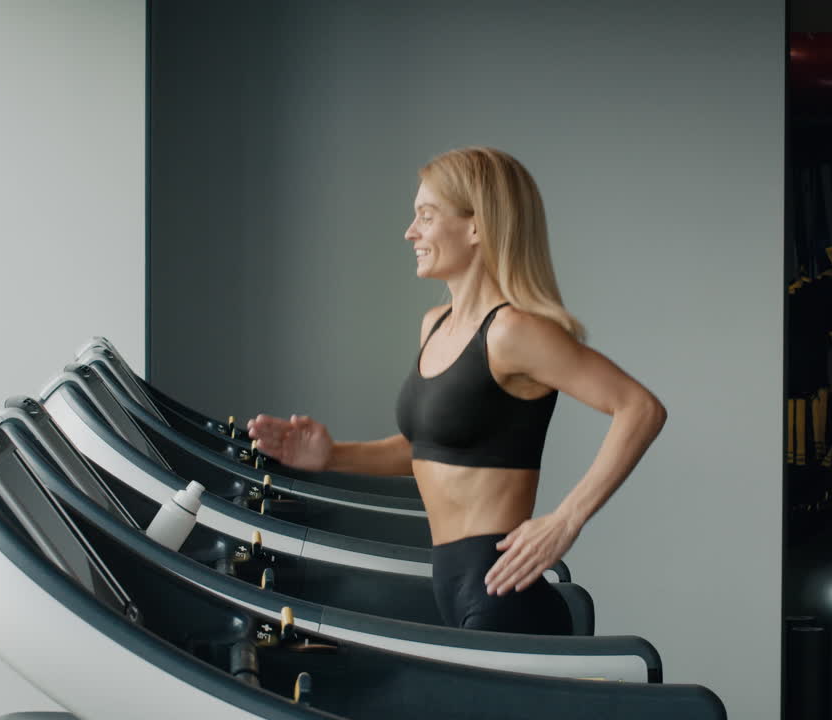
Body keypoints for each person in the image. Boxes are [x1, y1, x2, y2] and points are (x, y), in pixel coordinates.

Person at [247, 146, 666, 635]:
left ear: (476, 227)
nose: (410, 232)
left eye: (426, 216)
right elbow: (428, 452)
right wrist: (332, 456)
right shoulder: (434, 325)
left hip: (502, 597)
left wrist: (566, 521)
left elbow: (639, 408)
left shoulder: (514, 332)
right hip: (450, 584)